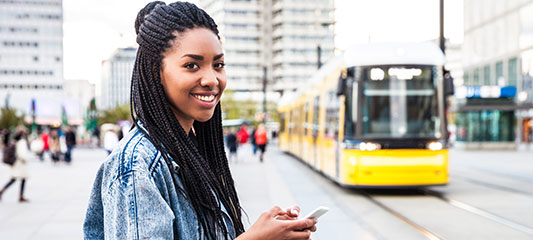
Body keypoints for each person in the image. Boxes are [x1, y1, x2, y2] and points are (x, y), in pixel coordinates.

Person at [83, 2, 317, 239]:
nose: (211, 79)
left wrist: (268, 233)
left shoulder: (188, 148)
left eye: (218, 65)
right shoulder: (136, 166)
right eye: (191, 65)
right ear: (155, 72)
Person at [0, 130, 33, 202]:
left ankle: (3, 191)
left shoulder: (15, 141)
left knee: (15, 179)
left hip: (15, 163)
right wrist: (26, 159)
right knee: (20, 178)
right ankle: (20, 196)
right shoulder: (22, 142)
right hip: (20, 164)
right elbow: (22, 154)